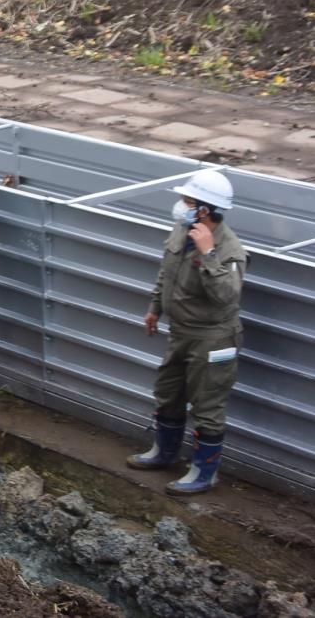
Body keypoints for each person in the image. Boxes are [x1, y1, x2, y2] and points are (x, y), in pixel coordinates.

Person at [126, 169, 247, 496]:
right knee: (168, 392)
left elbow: (227, 296)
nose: (181, 206)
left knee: (207, 406)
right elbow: (167, 272)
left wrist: (208, 254)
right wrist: (155, 307)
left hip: (213, 339)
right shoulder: (183, 231)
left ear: (205, 209)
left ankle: (204, 472)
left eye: (188, 201)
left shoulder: (229, 250)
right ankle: (163, 453)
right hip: (180, 332)